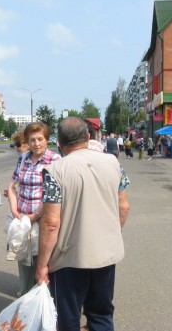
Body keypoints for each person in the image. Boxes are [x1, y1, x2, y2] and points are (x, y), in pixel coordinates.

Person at [36, 117, 130, 331]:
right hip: (106, 254)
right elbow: (123, 207)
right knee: (102, 314)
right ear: (88, 137)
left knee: (68, 318)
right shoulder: (113, 163)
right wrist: (111, 235)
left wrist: (42, 266)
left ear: (59, 141)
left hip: (69, 259)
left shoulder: (54, 171)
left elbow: (50, 223)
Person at [7, 122, 61, 297]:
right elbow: (12, 185)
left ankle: (42, 306)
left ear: (47, 140)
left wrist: (35, 215)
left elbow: (55, 194)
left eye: (40, 139)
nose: (36, 143)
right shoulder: (23, 158)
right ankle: (24, 303)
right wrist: (15, 210)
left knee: (43, 265)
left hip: (43, 221)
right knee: (23, 264)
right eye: (32, 140)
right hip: (23, 221)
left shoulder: (55, 161)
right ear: (27, 141)